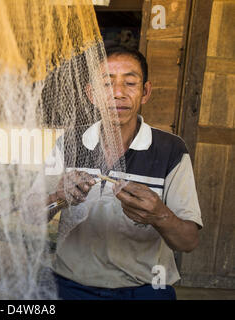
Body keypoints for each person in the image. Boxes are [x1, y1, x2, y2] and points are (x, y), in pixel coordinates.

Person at [33, 46, 202, 300]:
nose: (118, 94)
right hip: (71, 284)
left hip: (145, 287)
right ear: (92, 94)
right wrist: (59, 196)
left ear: (145, 92)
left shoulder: (171, 150)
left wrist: (159, 215)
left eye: (130, 83)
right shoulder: (69, 143)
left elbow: (188, 242)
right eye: (106, 84)